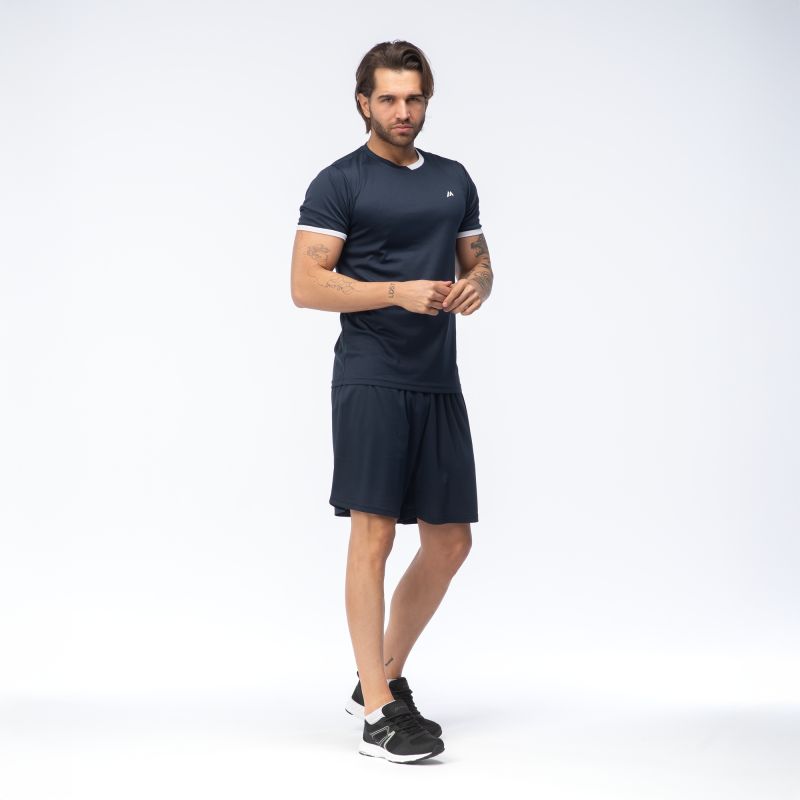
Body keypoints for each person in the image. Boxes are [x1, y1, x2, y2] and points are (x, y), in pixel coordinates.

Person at [290, 40, 493, 763]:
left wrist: (477, 285)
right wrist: (396, 292)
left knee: (451, 541)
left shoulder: (453, 178)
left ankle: (378, 676)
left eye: (413, 98)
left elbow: (479, 260)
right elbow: (306, 285)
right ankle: (379, 713)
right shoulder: (339, 182)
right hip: (371, 374)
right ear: (363, 102)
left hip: (438, 377)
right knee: (373, 535)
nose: (403, 111)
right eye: (388, 99)